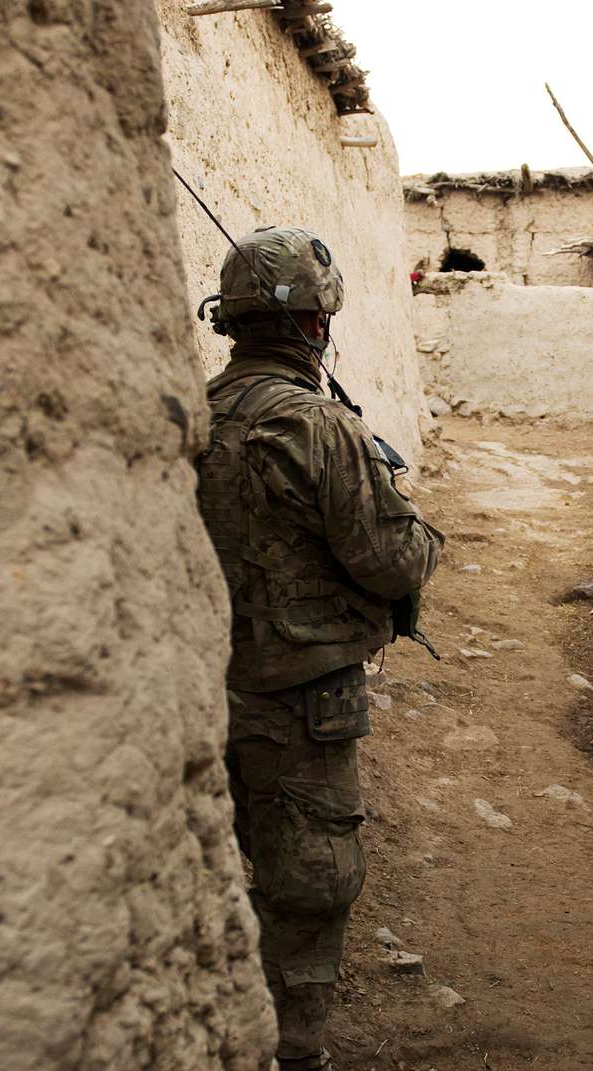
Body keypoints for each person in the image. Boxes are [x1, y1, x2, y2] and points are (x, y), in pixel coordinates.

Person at [195, 225, 444, 1071]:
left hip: (202, 692)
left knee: (220, 870)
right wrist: (419, 528)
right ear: (315, 326)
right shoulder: (320, 427)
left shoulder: (200, 413)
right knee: (309, 881)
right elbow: (390, 561)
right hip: (303, 700)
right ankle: (292, 1049)